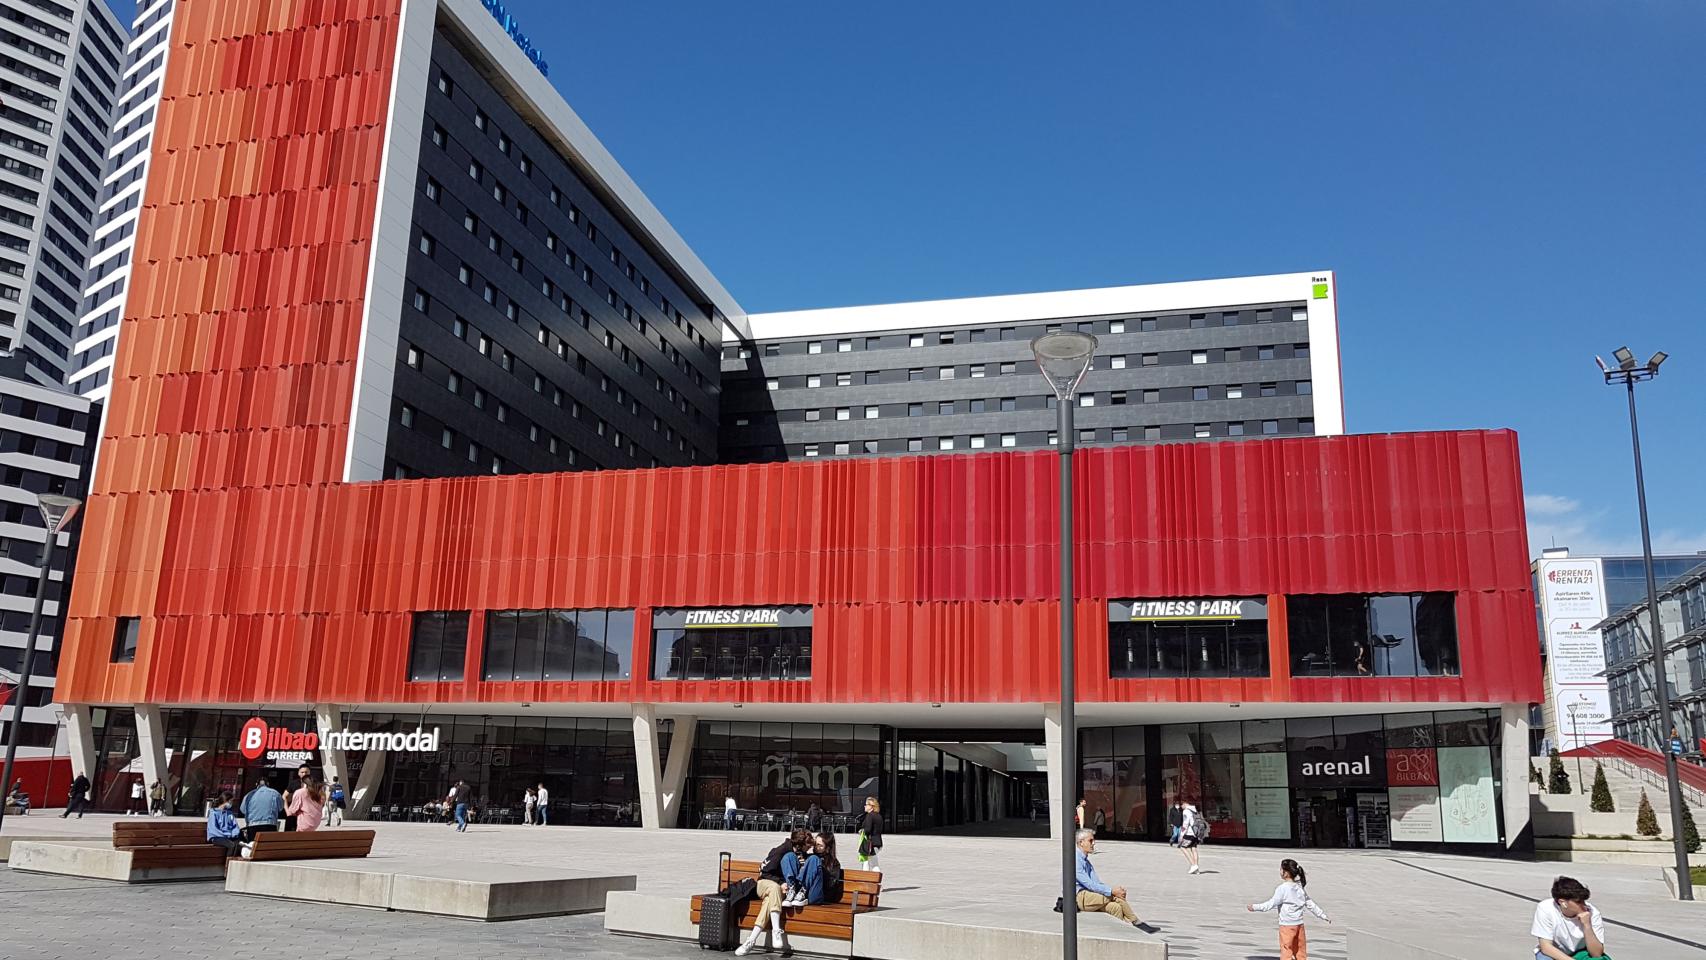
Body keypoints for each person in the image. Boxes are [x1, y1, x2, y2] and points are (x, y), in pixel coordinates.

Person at [736, 829, 811, 957]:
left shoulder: (801, 854)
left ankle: (751, 940)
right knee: (774, 888)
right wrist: (781, 882)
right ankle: (776, 929)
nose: (809, 848)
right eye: (807, 845)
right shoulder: (780, 851)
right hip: (763, 884)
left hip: (777, 892)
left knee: (769, 900)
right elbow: (763, 871)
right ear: (800, 844)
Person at [1248, 858, 1330, 960]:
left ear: (1285, 873)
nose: (1280, 871)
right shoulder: (1299, 888)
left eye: (1281, 869)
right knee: (1300, 951)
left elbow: (1270, 904)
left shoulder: (1282, 889)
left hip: (1286, 926)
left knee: (1286, 950)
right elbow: (1310, 903)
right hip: (1299, 925)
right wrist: (1322, 915)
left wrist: (1255, 907)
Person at [1073, 829, 1147, 928]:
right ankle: (1136, 922)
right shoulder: (1075, 860)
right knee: (1115, 896)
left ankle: (1121, 931)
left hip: (1090, 895)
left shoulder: (1086, 861)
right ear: (1081, 842)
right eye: (1090, 841)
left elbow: (1096, 883)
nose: (1093, 843)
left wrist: (1112, 890)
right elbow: (1089, 884)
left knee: (1115, 907)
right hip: (1079, 897)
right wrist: (1112, 891)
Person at [1532, 876, 1608, 960]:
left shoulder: (1593, 912)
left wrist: (1587, 925)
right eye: (1578, 902)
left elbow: (1596, 954)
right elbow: (1546, 947)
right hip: (1554, 952)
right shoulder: (1546, 908)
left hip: (1581, 952)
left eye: (1584, 901)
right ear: (1563, 903)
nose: (1584, 905)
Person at [784, 830, 843, 907]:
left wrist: (817, 870)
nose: (815, 847)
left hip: (817, 894)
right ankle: (791, 890)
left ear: (828, 848)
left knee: (814, 859)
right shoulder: (808, 857)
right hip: (799, 894)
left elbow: (830, 886)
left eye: (819, 845)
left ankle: (803, 892)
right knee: (789, 855)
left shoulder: (833, 863)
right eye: (815, 844)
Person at [856, 796, 884, 874]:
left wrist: (862, 830)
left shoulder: (870, 816)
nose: (864, 806)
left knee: (868, 863)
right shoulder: (878, 816)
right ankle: (875, 882)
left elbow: (867, 829)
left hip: (870, 843)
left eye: (866, 804)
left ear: (871, 806)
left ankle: (869, 881)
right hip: (878, 842)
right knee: (873, 862)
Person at [283, 763, 311, 831]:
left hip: (306, 815)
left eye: (306, 772)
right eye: (302, 772)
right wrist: (287, 810)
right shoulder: (293, 783)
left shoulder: (313, 784)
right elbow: (284, 796)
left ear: (309, 773)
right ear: (299, 773)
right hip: (293, 814)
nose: (304, 774)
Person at [1178, 799, 1203, 874]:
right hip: (1196, 832)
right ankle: (1196, 869)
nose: (1181, 807)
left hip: (1189, 832)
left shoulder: (1186, 811)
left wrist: (1181, 835)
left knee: (1182, 847)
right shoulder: (1195, 809)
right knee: (1194, 848)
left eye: (1181, 805)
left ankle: (1193, 865)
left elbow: (1185, 824)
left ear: (1185, 803)